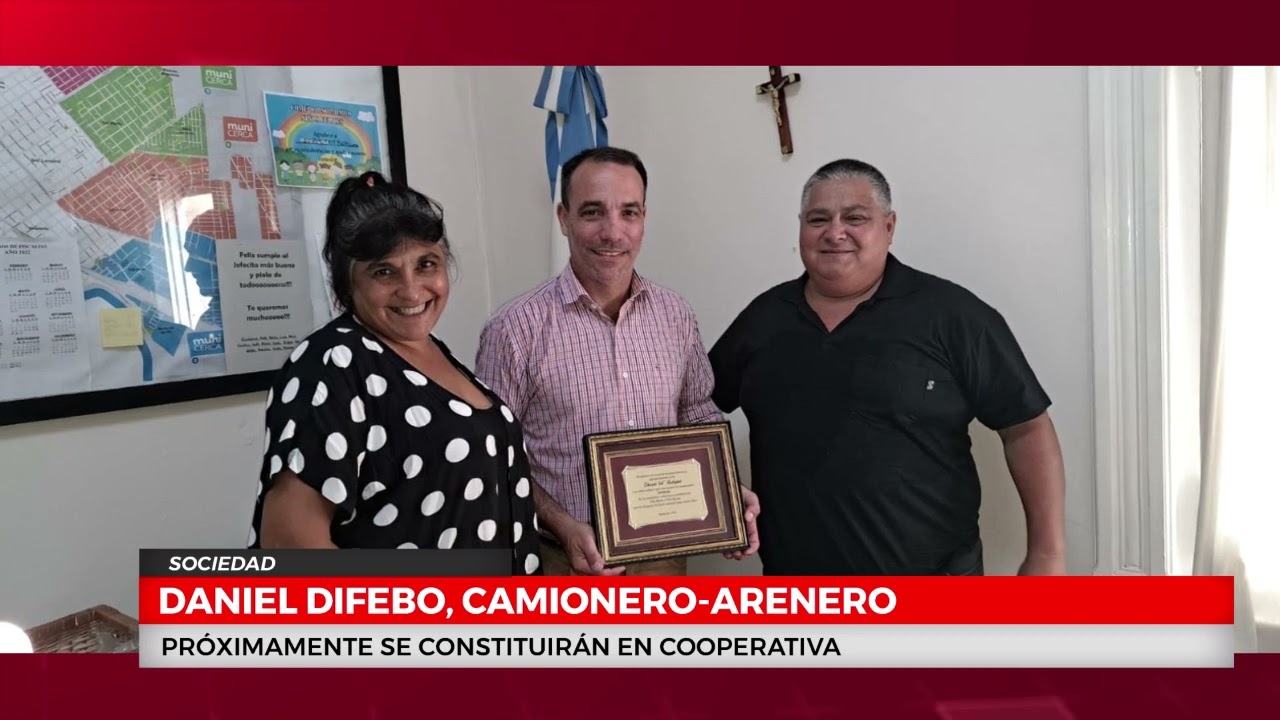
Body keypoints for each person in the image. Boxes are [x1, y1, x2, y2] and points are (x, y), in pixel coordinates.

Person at [708, 158, 1066, 577]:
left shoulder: (953, 315)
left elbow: (1026, 429)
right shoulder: (762, 318)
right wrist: (719, 493)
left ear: (889, 226)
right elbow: (697, 412)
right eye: (818, 219)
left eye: (855, 218)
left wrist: (1047, 556)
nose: (835, 232)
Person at [474, 146, 760, 576]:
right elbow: (495, 455)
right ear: (564, 219)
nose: (613, 232)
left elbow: (696, 412)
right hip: (563, 560)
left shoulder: (675, 314)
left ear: (644, 218)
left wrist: (726, 490)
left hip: (664, 554)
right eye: (593, 212)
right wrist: (563, 526)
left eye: (629, 212)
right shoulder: (514, 329)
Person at [249, 171, 542, 576]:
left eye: (426, 264)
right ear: (347, 283)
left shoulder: (429, 350)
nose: (412, 290)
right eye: (383, 272)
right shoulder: (333, 361)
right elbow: (289, 543)